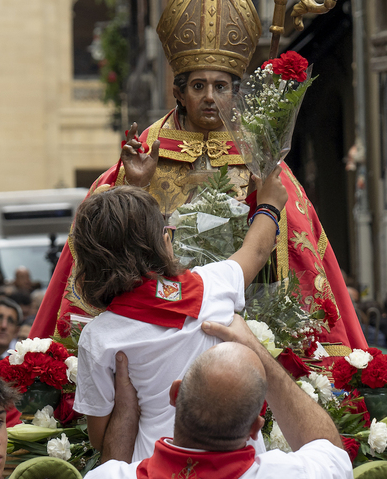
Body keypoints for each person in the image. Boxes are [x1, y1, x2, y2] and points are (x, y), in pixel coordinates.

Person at [28, 0, 367, 353]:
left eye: (221, 87)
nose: (210, 98)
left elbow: (297, 263)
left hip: (247, 333)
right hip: (155, 330)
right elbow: (103, 262)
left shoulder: (263, 163)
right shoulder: (138, 164)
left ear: (235, 93)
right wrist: (135, 186)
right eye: (198, 86)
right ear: (179, 92)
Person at [75, 316, 353, 479]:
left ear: (174, 395)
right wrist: (258, 353)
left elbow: (109, 478)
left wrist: (126, 411)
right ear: (255, 428)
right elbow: (329, 450)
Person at [73, 172, 285, 461]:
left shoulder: (99, 337)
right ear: (165, 241)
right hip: (236, 463)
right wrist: (270, 205)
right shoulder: (213, 286)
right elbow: (257, 250)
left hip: (154, 476)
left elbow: (101, 437)